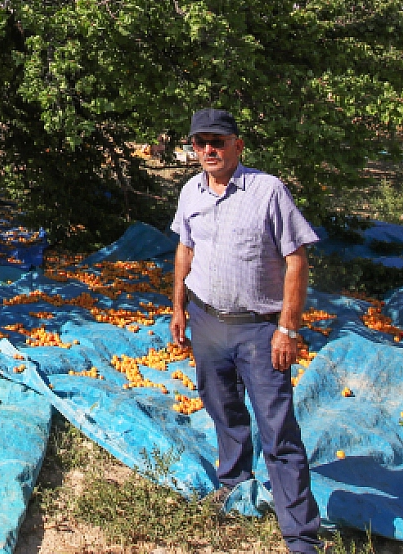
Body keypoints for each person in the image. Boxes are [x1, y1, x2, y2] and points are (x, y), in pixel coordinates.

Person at [169, 108, 323, 554]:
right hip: (206, 320)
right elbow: (185, 248)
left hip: (258, 329)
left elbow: (296, 259)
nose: (209, 150)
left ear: (238, 144)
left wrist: (287, 329)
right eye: (201, 143)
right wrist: (178, 307)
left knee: (277, 426)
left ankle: (300, 534)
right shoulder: (190, 192)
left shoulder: (267, 190)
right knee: (222, 406)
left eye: (218, 141)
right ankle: (234, 481)